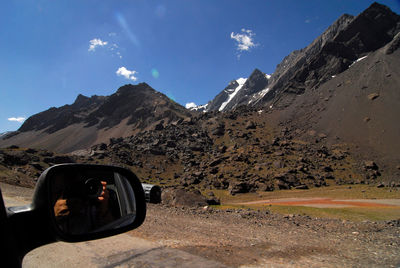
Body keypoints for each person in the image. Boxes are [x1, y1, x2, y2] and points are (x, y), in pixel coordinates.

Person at [53, 176, 118, 235]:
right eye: (59, 190)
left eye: (77, 187)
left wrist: (104, 208)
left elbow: (110, 229)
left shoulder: (92, 209)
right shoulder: (53, 209)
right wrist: (55, 215)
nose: (73, 192)